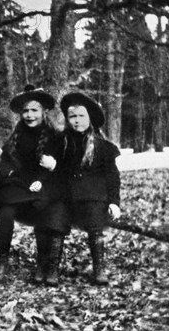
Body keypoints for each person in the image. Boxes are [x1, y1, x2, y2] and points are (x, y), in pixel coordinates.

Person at [0, 85, 59, 280]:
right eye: (25, 111)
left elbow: (60, 169)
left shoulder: (55, 137)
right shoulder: (16, 137)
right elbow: (3, 167)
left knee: (43, 211)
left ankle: (43, 265)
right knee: (7, 214)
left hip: (42, 187)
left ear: (44, 112)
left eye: (34, 110)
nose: (29, 115)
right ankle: (1, 263)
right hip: (18, 187)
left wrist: (46, 175)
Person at [50, 92, 121, 286]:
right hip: (65, 194)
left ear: (89, 118)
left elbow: (112, 176)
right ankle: (52, 269)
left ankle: (99, 269)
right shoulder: (60, 143)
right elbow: (54, 171)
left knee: (95, 226)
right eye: (72, 116)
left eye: (81, 116)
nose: (76, 121)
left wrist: (114, 202)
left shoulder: (103, 147)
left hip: (92, 195)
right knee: (56, 223)